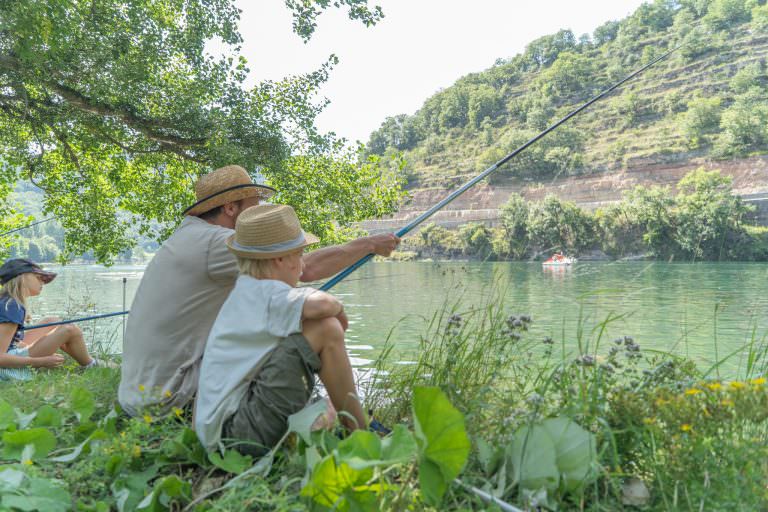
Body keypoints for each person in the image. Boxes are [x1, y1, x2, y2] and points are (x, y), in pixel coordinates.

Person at [118, 165, 399, 417]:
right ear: (231, 208)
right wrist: (367, 245)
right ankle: (343, 420)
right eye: (254, 205)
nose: (259, 210)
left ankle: (319, 409)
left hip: (142, 393)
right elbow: (303, 268)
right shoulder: (218, 243)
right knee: (311, 326)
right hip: (169, 398)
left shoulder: (190, 236)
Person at [195, 204, 366, 455]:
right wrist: (338, 309)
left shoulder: (248, 290)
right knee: (326, 328)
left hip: (225, 430)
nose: (303, 265)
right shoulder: (267, 293)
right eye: (299, 255)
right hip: (237, 435)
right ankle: (363, 437)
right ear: (280, 259)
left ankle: (337, 423)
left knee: (327, 400)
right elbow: (322, 306)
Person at [0, 258, 102, 381]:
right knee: (69, 329)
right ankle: (91, 364)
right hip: (5, 369)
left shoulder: (8, 301)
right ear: (22, 276)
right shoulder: (11, 306)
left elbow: (10, 341)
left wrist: (39, 346)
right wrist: (40, 361)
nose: (42, 282)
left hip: (12, 351)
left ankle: (88, 361)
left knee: (53, 322)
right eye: (39, 277)